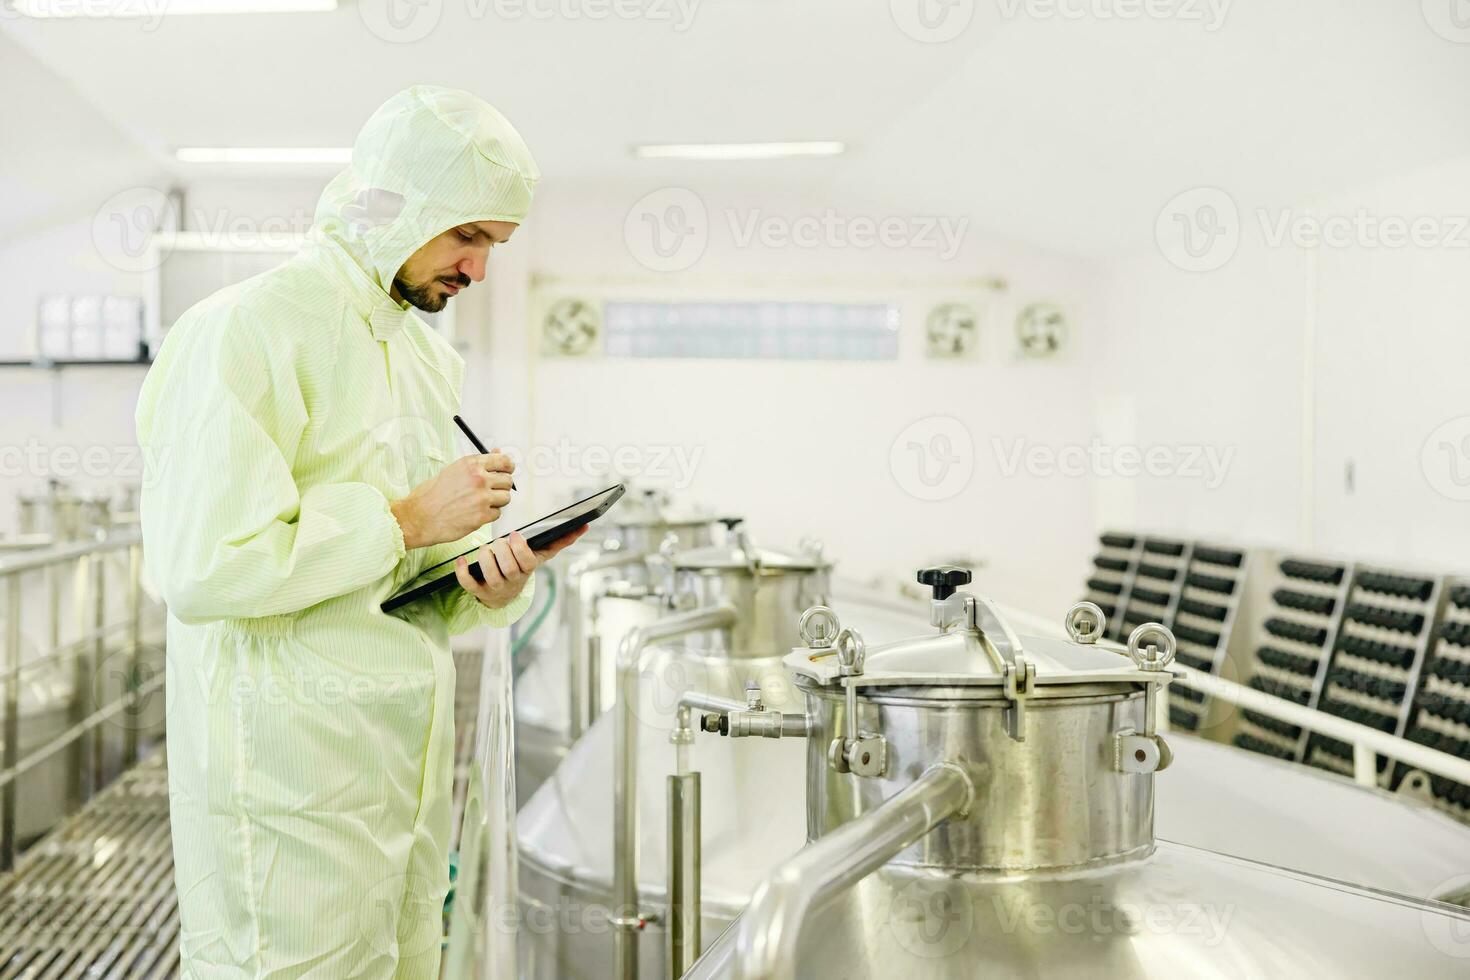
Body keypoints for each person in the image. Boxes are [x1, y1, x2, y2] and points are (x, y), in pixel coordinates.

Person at [135, 86, 580, 978]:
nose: (479, 271)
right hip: (284, 785)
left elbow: (392, 573)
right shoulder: (242, 332)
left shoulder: (423, 356)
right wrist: (410, 516)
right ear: (405, 204)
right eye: (468, 238)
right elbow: (205, 567)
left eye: (496, 246)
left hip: (397, 775)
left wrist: (473, 576)